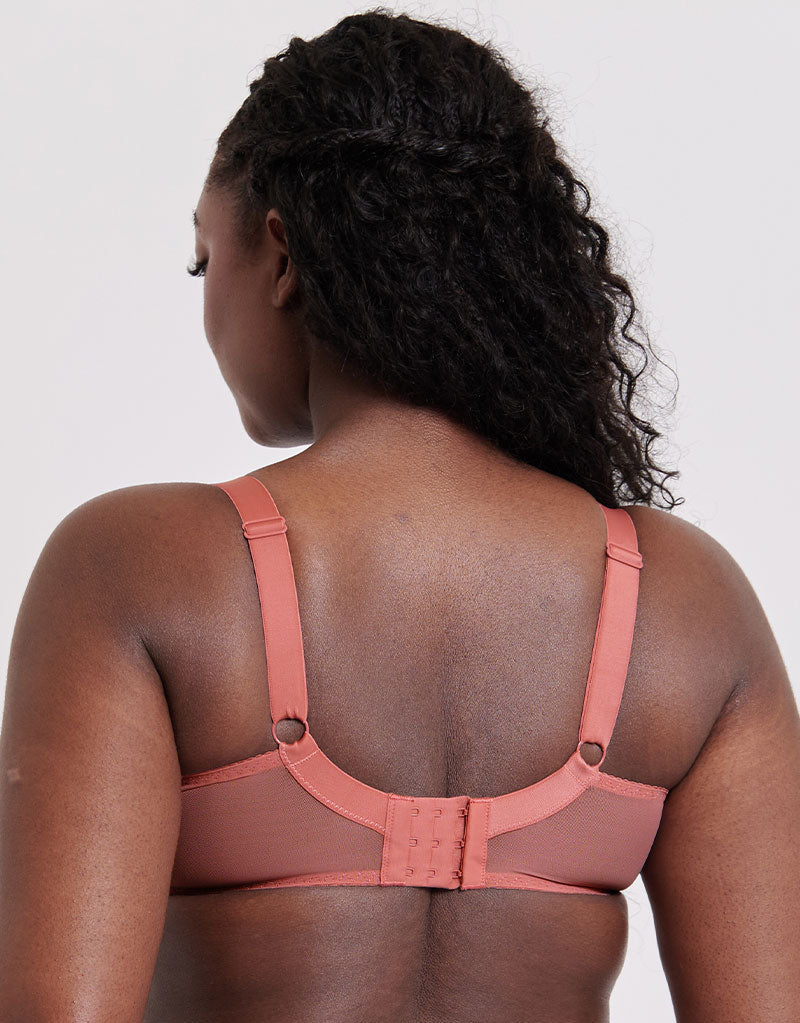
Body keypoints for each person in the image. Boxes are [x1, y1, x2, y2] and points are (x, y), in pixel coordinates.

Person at [1, 8, 798, 1022]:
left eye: (206, 260)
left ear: (282, 258)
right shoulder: (686, 606)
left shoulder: (137, 569)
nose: (205, 299)